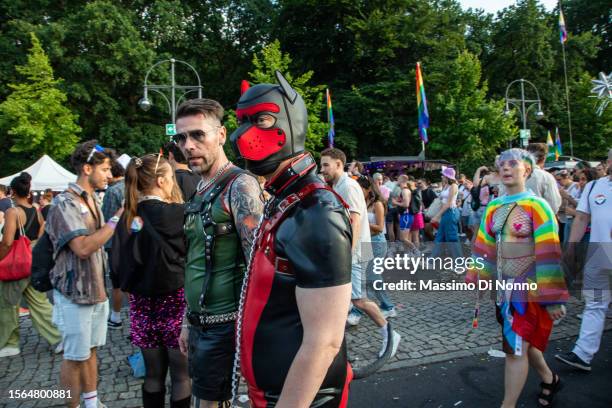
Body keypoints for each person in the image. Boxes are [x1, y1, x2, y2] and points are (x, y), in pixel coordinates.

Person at [231, 73, 354, 408]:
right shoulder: (287, 199)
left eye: (262, 119)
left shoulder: (316, 211)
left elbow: (325, 341)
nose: (243, 133)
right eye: (243, 121)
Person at [173, 98, 263, 408]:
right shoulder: (199, 188)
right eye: (181, 138)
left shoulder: (240, 186)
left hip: (226, 326)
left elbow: (258, 264)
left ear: (222, 135)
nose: (189, 145)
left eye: (198, 135)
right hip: (200, 323)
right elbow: (194, 259)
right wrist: (188, 321)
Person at [467, 148, 568, 408]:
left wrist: (552, 297)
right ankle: (549, 379)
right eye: (501, 164)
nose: (506, 168)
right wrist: (478, 274)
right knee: (524, 342)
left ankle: (507, 405)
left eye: (513, 163)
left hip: (529, 290)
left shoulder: (538, 206)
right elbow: (484, 246)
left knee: (515, 347)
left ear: (528, 170)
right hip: (504, 289)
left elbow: (549, 252)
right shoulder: (494, 206)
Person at [46, 140, 123, 408]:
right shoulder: (64, 203)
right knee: (74, 356)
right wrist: (117, 218)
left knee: (90, 352)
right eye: (104, 169)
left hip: (96, 291)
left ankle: (92, 402)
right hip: (74, 294)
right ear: (87, 169)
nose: (110, 176)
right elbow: (83, 247)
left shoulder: (90, 200)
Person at [112, 154, 190, 408]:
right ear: (160, 181)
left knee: (153, 376)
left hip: (142, 305)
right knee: (181, 376)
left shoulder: (128, 219)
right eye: (169, 177)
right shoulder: (179, 213)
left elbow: (117, 264)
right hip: (177, 300)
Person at [321, 147, 401, 352]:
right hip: (355, 250)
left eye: (326, 165)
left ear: (339, 164)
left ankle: (390, 335)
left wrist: (348, 252)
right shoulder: (338, 185)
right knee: (346, 296)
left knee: (359, 299)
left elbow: (355, 221)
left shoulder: (347, 185)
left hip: (355, 252)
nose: (322, 170)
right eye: (322, 165)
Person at [556, 148, 612, 372]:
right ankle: (582, 353)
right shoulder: (594, 186)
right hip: (599, 256)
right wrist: (571, 246)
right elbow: (581, 217)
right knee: (595, 303)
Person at [0, 172, 62, 358]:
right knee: (40, 303)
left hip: (15, 264)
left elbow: (8, 241)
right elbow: (43, 230)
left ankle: (9, 343)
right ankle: (59, 337)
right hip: (32, 261)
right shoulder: (35, 210)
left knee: (8, 304)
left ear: (12, 192)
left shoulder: (13, 212)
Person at [357, 175, 396, 317]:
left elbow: (380, 227)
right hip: (365, 241)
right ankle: (360, 307)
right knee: (362, 276)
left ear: (368, 189)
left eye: (360, 188)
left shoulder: (378, 204)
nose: (357, 191)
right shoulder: (362, 203)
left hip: (377, 242)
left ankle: (388, 307)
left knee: (373, 275)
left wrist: (362, 224)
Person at [102, 155, 126, 330]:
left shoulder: (113, 191)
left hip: (116, 243)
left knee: (117, 283)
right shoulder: (133, 186)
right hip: (133, 240)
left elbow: (108, 220)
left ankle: (116, 317)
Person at [430, 167, 463, 261]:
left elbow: (448, 203)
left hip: (450, 212)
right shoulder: (447, 186)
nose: (441, 176)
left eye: (443, 175)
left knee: (452, 238)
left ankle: (460, 262)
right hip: (447, 212)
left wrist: (437, 216)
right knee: (440, 236)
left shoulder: (453, 186)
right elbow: (442, 200)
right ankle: (431, 260)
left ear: (447, 176)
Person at [525, 143, 561, 214]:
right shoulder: (546, 177)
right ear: (544, 158)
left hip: (514, 220)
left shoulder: (514, 174)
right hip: (540, 219)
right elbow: (554, 205)